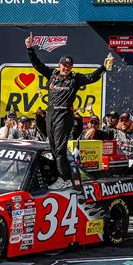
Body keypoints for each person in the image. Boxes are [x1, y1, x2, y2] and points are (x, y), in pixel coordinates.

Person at [25, 32, 113, 189]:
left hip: (64, 115)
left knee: (59, 150)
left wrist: (103, 68)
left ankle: (64, 180)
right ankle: (57, 176)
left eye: (69, 66)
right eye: (64, 65)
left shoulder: (75, 78)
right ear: (59, 65)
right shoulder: (52, 74)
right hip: (51, 114)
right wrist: (30, 48)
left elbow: (91, 77)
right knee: (52, 149)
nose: (66, 68)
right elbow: (37, 65)